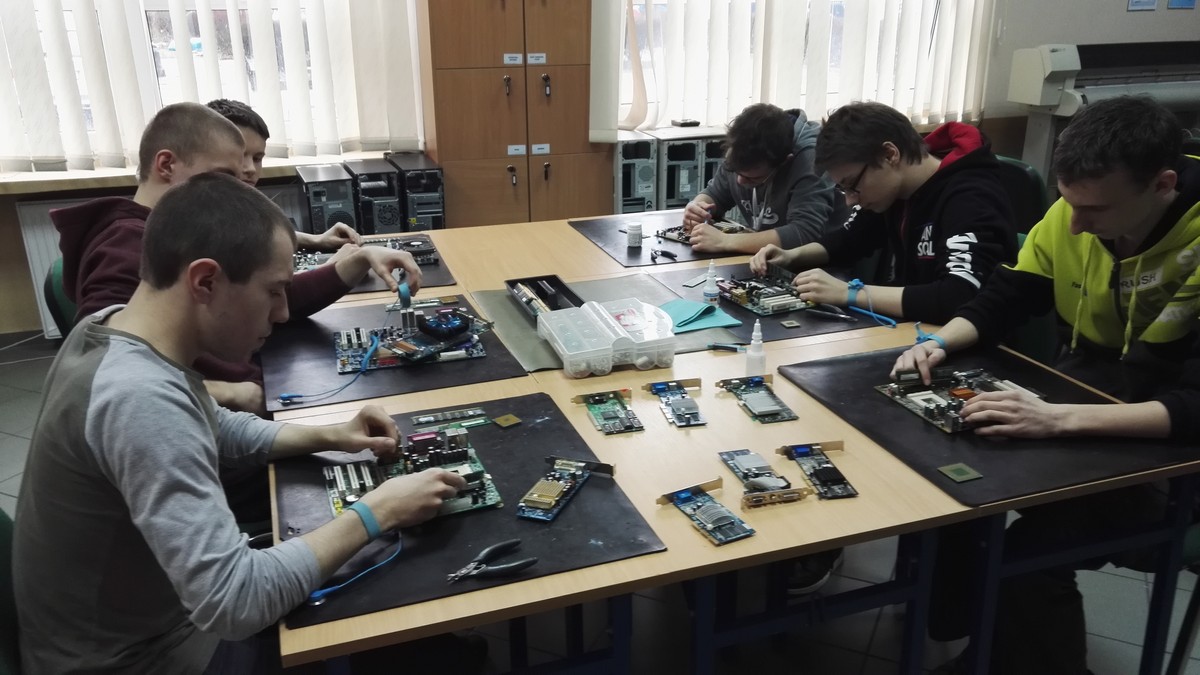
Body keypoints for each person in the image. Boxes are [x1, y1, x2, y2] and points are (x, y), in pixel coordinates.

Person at [14, 172, 468, 674]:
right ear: (205, 281)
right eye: (273, 292)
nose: (282, 313)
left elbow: (214, 425)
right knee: (387, 607)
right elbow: (237, 601)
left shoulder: (112, 329)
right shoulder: (139, 399)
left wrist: (334, 434)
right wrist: (378, 510)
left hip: (145, 623)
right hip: (146, 658)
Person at [890, 95, 1200, 674]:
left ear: (1162, 185)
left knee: (1030, 552)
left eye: (1095, 210)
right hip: (1093, 397)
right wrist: (939, 343)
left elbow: (1193, 409)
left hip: (1174, 451)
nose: (1074, 223)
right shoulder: (1073, 211)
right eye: (1068, 202)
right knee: (951, 483)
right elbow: (1007, 295)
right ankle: (981, 647)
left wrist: (1056, 418)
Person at [53, 102, 419, 414]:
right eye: (223, 176)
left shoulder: (183, 231)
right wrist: (228, 392)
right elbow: (106, 365)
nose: (240, 183)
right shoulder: (123, 245)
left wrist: (353, 262)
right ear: (166, 165)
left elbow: (259, 299)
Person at [750, 101, 1017, 325]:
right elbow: (849, 239)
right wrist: (791, 256)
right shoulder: (896, 191)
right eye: (843, 189)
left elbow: (958, 297)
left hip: (969, 345)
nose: (850, 201)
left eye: (853, 185)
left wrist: (851, 294)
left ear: (890, 154)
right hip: (918, 330)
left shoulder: (971, 197)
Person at [681, 103, 845, 254]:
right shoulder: (741, 145)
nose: (739, 181)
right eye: (735, 171)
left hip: (822, 263)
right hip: (767, 255)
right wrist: (697, 207)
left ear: (784, 162)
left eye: (752, 178)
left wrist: (725, 241)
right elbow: (716, 194)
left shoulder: (810, 159)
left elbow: (803, 233)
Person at [206, 98, 362, 251]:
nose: (251, 168)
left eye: (257, 158)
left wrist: (317, 239)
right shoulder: (203, 217)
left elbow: (259, 236)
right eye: (240, 156)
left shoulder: (237, 204)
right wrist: (338, 264)